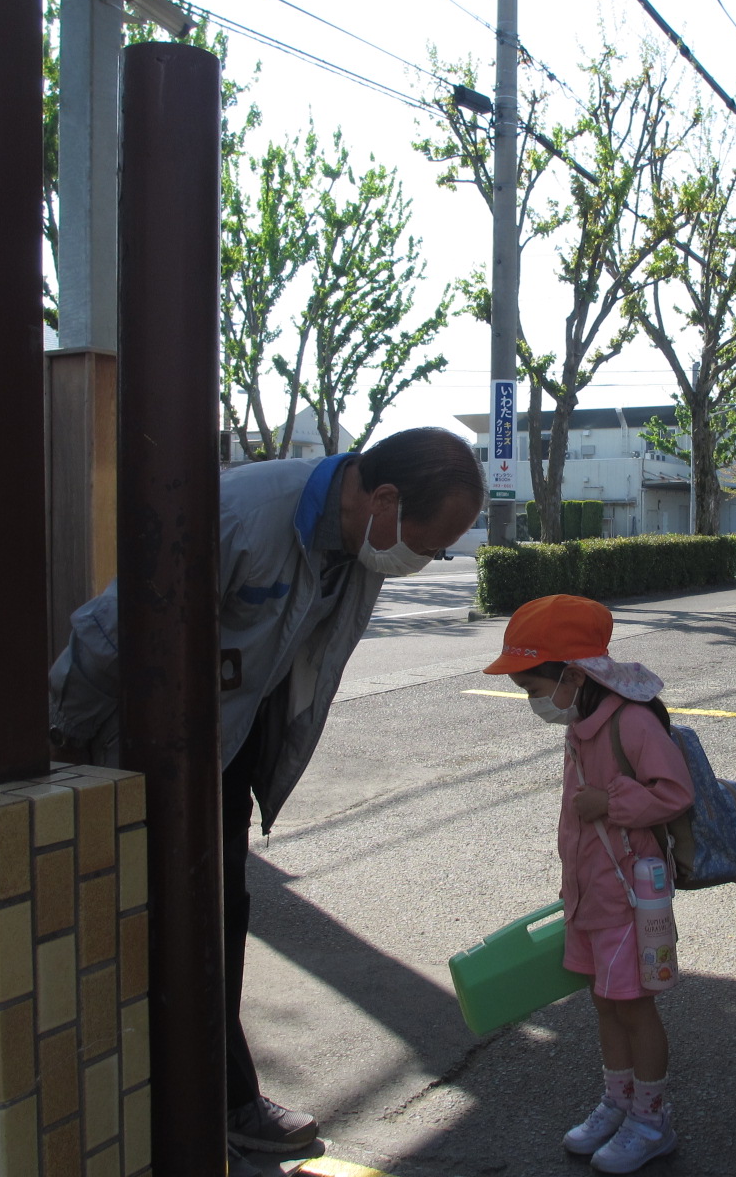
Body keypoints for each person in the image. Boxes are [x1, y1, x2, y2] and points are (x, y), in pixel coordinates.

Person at [48, 427, 484, 1169]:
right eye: (430, 541)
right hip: (152, 748)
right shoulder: (241, 514)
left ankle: (215, 1098)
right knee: (164, 924)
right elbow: (110, 631)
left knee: (218, 916)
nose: (428, 561)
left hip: (226, 744)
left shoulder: (362, 543)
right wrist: (61, 737)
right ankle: (193, 1104)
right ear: (383, 498)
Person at [483, 595, 693, 1174]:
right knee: (605, 1005)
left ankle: (652, 1120)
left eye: (533, 688)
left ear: (573, 674)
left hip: (630, 900)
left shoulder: (632, 721)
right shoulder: (581, 722)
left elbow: (676, 794)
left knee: (635, 1009)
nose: (532, 701)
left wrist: (614, 801)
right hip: (590, 897)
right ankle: (617, 1102)